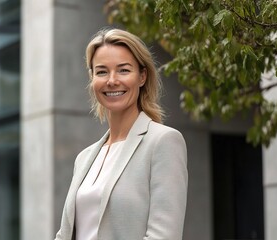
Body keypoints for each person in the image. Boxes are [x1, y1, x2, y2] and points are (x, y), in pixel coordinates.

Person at [55, 28, 188, 240]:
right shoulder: (84, 158)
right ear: (92, 78)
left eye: (124, 70)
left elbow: (164, 236)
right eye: (101, 71)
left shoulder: (163, 142)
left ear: (142, 76)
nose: (112, 80)